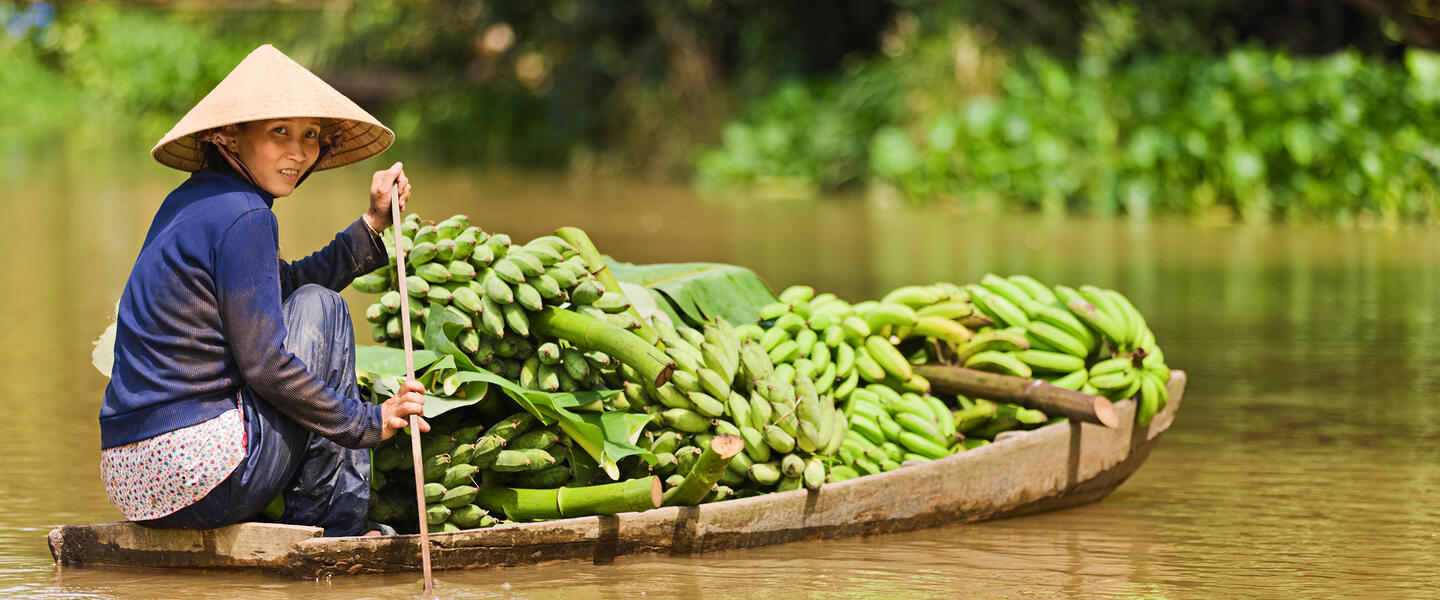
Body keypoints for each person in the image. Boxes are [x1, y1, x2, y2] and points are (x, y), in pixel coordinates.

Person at [99, 44, 429, 537]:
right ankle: (333, 524)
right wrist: (367, 420)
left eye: (311, 136)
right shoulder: (246, 214)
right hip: (196, 476)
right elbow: (266, 366)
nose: (298, 152)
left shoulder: (191, 201)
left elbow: (279, 288)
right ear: (228, 135)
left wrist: (371, 225)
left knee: (309, 298)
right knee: (324, 307)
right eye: (280, 133)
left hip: (132, 480)